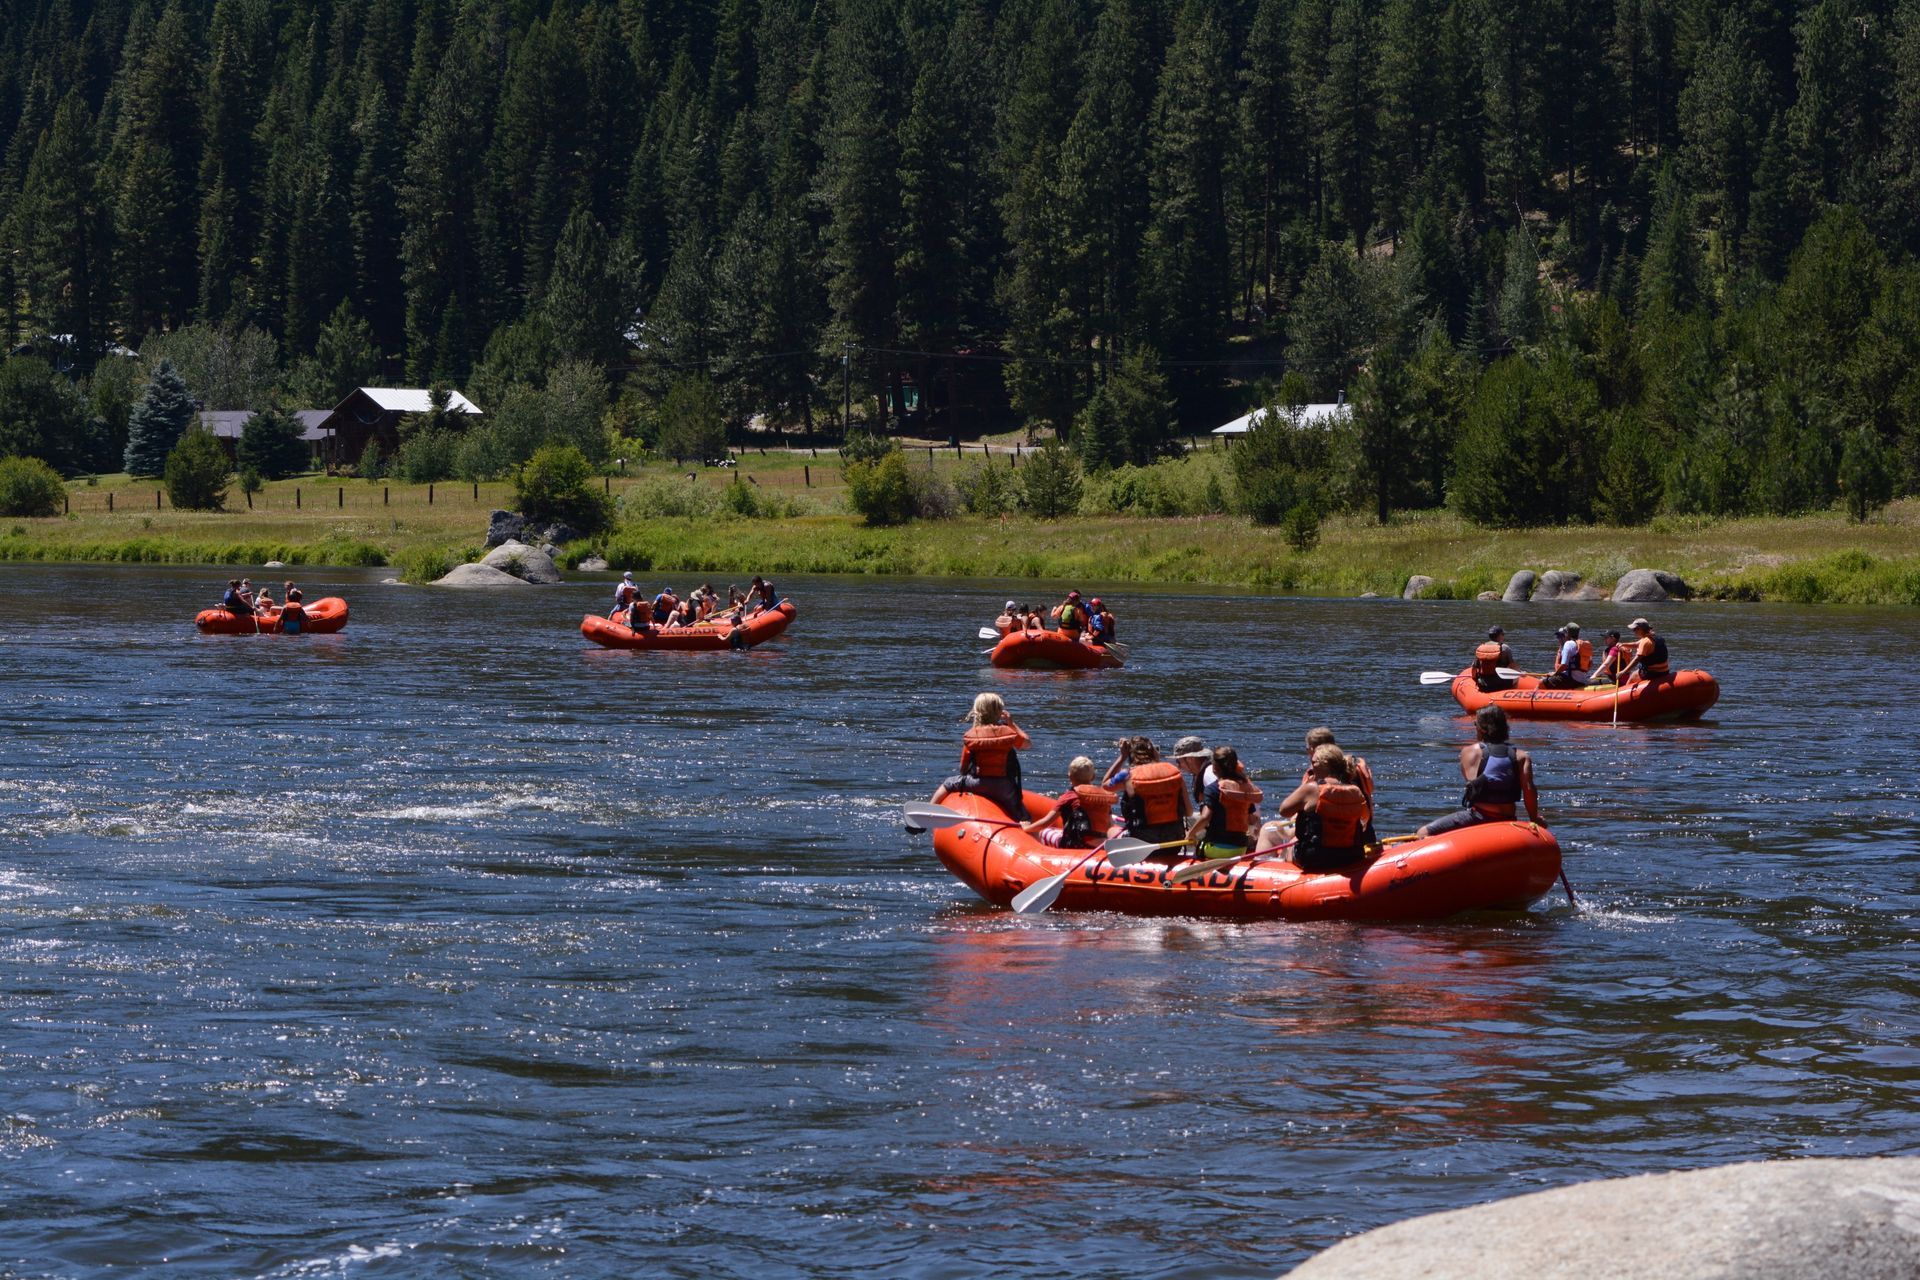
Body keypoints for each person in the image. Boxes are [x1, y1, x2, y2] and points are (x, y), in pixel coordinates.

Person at [1417, 705, 1542, 838]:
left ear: (1482, 728)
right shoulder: (1521, 756)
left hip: (1478, 817)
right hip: (1508, 818)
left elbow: (1472, 785)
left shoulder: (1469, 752)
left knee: (1423, 832)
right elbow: (1529, 791)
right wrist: (1534, 819)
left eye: (1476, 723)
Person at [930, 693, 1032, 819]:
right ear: (1000, 712)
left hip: (977, 784)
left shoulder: (972, 735)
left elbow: (963, 768)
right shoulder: (1009, 733)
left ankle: (930, 813)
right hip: (1004, 787)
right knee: (1023, 817)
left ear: (977, 712)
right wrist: (1011, 723)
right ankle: (1026, 827)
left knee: (948, 783)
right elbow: (1027, 744)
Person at [1282, 744, 1376, 871]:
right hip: (1351, 855)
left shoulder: (1312, 789)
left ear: (1324, 764)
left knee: (1288, 846)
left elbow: (1284, 811)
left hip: (1316, 856)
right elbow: (1365, 820)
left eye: (1313, 762)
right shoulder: (1356, 791)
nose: (1311, 766)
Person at [1020, 756, 1117, 849]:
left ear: (1070, 776)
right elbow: (1110, 825)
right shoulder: (1102, 797)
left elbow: (1046, 822)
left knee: (1043, 832)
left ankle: (1040, 857)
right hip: (1099, 845)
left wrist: (1027, 828)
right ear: (1093, 777)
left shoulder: (1069, 797)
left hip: (1075, 845)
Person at [1187, 746, 1263, 857]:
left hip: (1216, 849)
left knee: (1198, 842)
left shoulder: (1213, 789)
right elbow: (1251, 819)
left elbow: (1205, 818)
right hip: (1241, 848)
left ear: (1214, 767)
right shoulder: (1244, 788)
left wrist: (1190, 834)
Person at [1123, 739, 1192, 845]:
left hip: (1141, 844)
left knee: (1113, 830)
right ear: (1155, 753)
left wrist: (1122, 756)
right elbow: (1189, 812)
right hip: (1174, 843)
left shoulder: (1129, 777)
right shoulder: (1175, 773)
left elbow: (1106, 785)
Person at [1540, 623, 1592, 689]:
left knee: (1541, 682)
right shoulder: (1583, 645)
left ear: (1567, 633)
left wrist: (1555, 674)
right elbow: (1590, 663)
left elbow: (1564, 665)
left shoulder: (1568, 644)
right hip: (1582, 680)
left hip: (1570, 679)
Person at [1620, 617, 1671, 684]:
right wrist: (1622, 644)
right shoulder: (1655, 637)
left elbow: (1636, 660)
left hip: (1653, 673)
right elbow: (1636, 644)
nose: (1634, 632)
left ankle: (1626, 692)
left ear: (1640, 629)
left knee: (1633, 676)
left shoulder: (1645, 642)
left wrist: (1623, 672)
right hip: (1665, 671)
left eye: (1635, 629)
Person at [1473, 625, 1517, 692]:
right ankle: (1509, 694)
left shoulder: (1481, 647)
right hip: (1500, 685)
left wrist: (1475, 680)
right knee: (1517, 677)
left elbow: (1474, 669)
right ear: (1499, 636)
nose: (1503, 636)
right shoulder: (1505, 648)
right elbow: (1513, 667)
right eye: (1503, 634)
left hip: (1483, 684)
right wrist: (1521, 673)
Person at [1173, 735, 1213, 806]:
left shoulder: (1210, 774)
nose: (1178, 766)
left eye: (1178, 761)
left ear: (1190, 759)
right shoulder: (1200, 772)